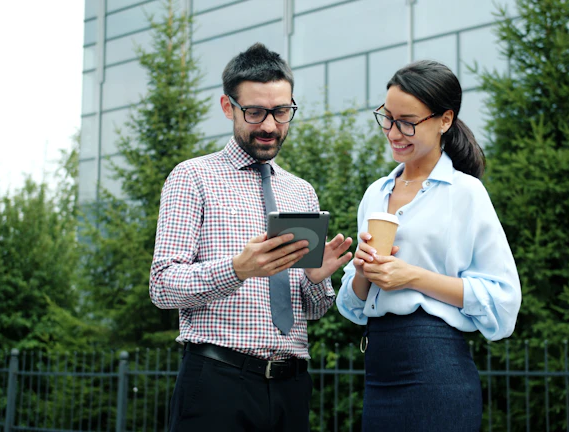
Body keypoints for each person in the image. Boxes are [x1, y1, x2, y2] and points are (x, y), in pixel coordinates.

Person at [150, 42, 353, 432]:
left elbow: (311, 310)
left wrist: (316, 279)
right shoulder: (192, 178)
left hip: (292, 387)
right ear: (228, 108)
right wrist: (237, 270)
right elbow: (161, 286)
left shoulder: (301, 192)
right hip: (217, 384)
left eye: (281, 111)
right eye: (255, 112)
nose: (270, 126)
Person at [336, 60, 521, 431]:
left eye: (407, 121)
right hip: (379, 369)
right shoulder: (375, 193)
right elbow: (352, 306)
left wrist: (413, 277)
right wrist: (361, 273)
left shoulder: (466, 194)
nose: (393, 132)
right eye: (387, 118)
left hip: (437, 369)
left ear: (444, 120)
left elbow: (503, 303)